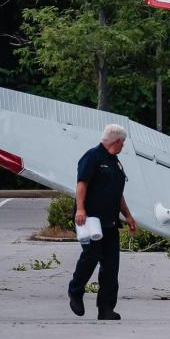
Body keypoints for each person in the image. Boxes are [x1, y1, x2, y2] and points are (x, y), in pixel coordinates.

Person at [68, 124, 137, 320]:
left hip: (110, 221)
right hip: (91, 219)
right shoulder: (92, 157)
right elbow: (82, 184)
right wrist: (80, 209)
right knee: (90, 257)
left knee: (111, 266)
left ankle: (106, 308)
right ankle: (75, 291)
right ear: (117, 142)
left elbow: (118, 194)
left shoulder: (115, 162)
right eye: (122, 143)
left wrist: (128, 216)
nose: (123, 146)